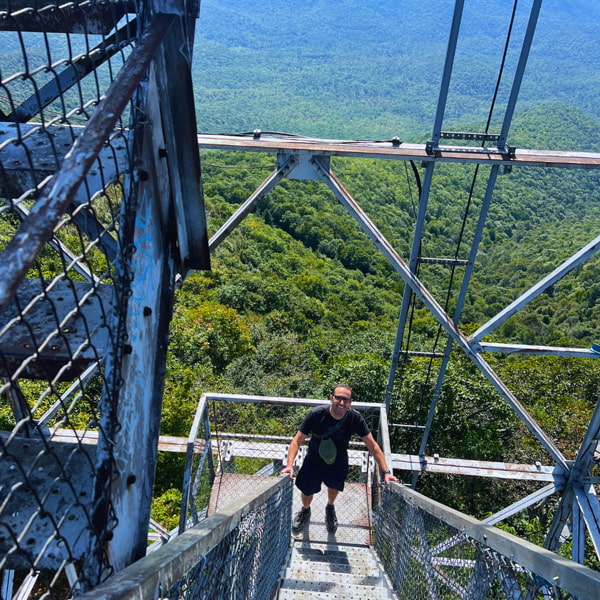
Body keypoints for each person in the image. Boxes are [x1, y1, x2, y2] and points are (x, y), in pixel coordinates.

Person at [281, 383, 397, 533]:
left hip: (338, 462)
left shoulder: (354, 418)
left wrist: (386, 471)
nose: (342, 403)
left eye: (346, 400)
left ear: (350, 402)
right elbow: (297, 440)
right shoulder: (317, 414)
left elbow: (373, 446)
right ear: (331, 398)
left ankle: (330, 507)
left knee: (334, 487)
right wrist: (290, 465)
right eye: (338, 398)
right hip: (314, 460)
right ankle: (305, 510)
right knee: (307, 491)